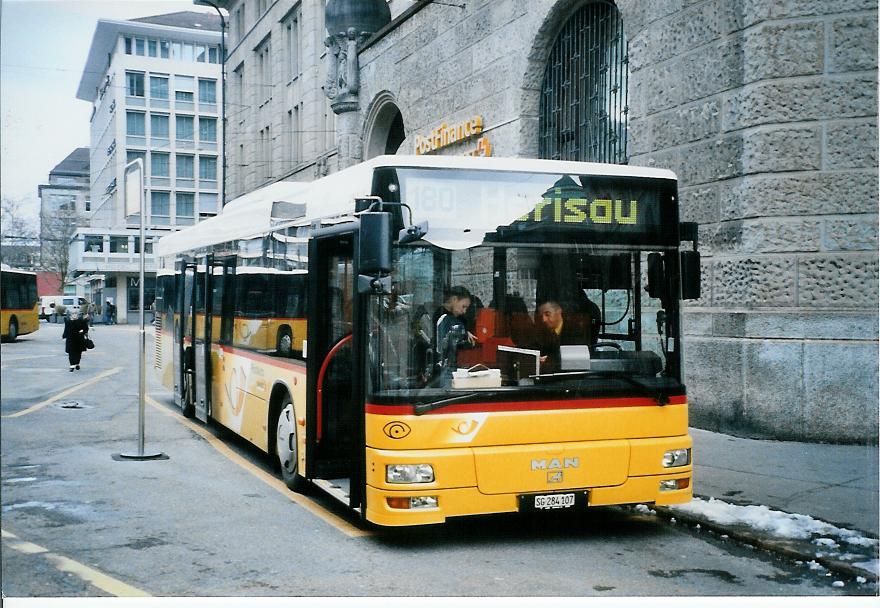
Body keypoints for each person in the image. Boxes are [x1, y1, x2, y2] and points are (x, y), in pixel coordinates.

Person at [432, 286, 477, 375]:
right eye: (463, 306)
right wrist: (464, 333)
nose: (464, 311)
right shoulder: (441, 316)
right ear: (454, 299)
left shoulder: (459, 318)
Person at [536, 300, 591, 372]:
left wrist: (550, 359)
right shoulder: (543, 331)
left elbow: (576, 355)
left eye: (547, 314)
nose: (544, 320)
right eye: (541, 316)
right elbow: (536, 345)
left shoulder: (575, 330)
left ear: (558, 312)